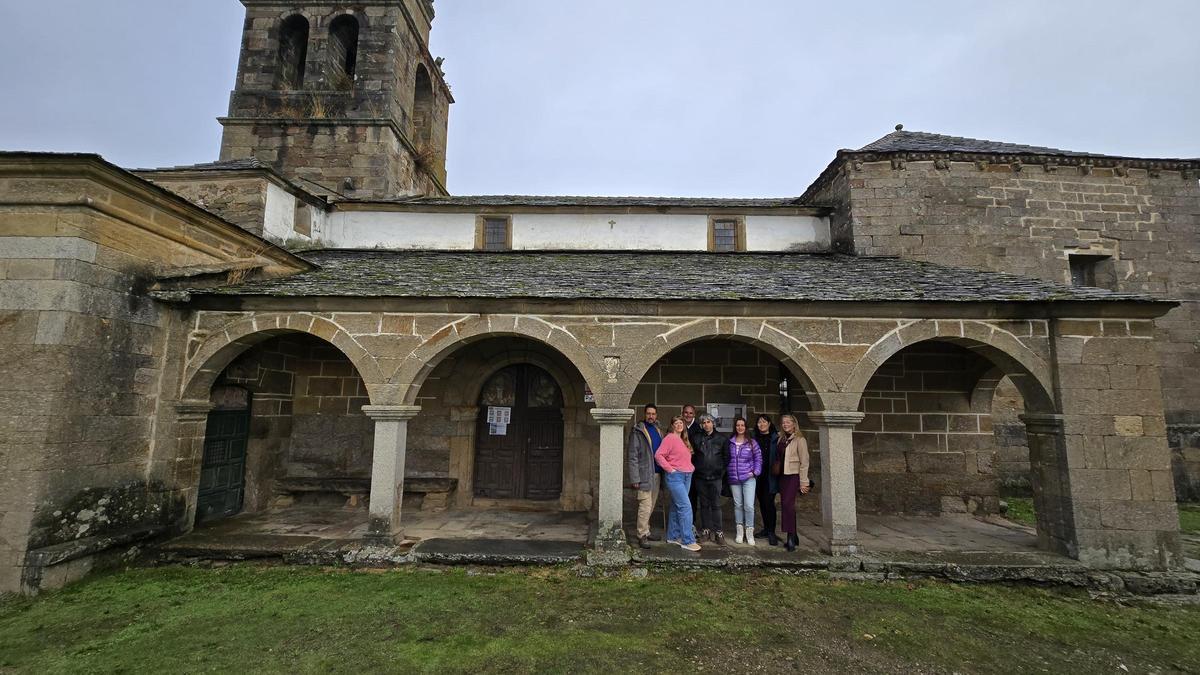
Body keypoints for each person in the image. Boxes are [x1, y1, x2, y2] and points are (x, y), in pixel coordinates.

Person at [655, 415, 700, 552]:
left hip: (687, 475)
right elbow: (658, 455)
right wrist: (671, 470)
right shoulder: (670, 438)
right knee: (685, 507)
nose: (679, 424)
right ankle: (688, 540)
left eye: (681, 422)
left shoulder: (683, 440)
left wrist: (690, 468)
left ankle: (673, 536)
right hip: (676, 477)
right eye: (676, 423)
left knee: (676, 506)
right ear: (672, 425)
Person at [627, 403, 663, 549]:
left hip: (657, 473)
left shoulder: (658, 430)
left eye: (653, 414)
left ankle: (646, 531)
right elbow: (632, 456)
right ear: (644, 414)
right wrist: (635, 478)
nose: (651, 416)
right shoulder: (638, 431)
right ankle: (641, 535)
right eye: (648, 413)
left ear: (656, 415)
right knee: (645, 505)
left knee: (651, 505)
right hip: (643, 475)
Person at [692, 413, 729, 544]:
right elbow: (693, 456)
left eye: (709, 422)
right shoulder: (696, 438)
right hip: (700, 477)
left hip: (716, 477)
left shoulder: (721, 439)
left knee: (716, 505)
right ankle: (706, 530)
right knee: (704, 505)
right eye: (704, 423)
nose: (706, 425)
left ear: (713, 423)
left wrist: (720, 472)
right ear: (701, 425)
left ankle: (719, 532)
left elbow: (726, 458)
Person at [777, 414, 810, 552]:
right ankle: (794, 534)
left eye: (788, 422)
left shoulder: (800, 440)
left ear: (794, 424)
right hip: (782, 476)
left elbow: (805, 462)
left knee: (787, 505)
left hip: (793, 475)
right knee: (786, 505)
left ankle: (790, 537)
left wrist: (804, 482)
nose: (785, 424)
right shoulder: (781, 438)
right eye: (783, 422)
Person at [726, 416, 762, 546]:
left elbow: (758, 459)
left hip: (748, 478)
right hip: (734, 478)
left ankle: (749, 531)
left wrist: (755, 472)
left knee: (749, 505)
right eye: (737, 425)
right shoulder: (730, 442)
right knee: (738, 505)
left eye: (742, 425)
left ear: (746, 427)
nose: (740, 427)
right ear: (735, 427)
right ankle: (739, 532)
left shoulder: (752, 442)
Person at [753, 414, 781, 546]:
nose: (761, 424)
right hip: (758, 476)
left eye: (764, 422)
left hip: (771, 476)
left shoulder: (776, 438)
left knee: (769, 503)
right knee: (762, 503)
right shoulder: (754, 438)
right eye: (759, 422)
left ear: (769, 424)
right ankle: (765, 529)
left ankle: (771, 531)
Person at [681, 404, 703, 529]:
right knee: (680, 497)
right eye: (686, 412)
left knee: (692, 497)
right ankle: (680, 524)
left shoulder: (699, 429)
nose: (688, 415)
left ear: (694, 415)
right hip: (679, 469)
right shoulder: (678, 426)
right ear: (682, 413)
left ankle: (691, 524)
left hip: (693, 469)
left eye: (690, 413)